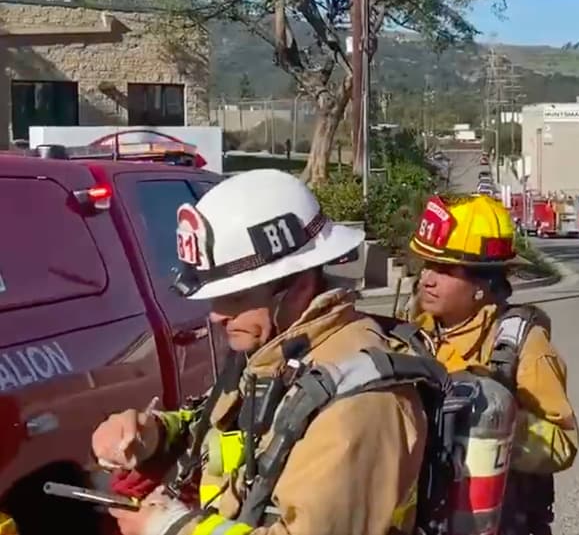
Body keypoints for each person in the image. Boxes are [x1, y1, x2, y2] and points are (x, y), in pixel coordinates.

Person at [90, 169, 431, 535]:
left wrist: (170, 528)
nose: (217, 314)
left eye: (236, 296)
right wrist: (152, 434)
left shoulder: (362, 404)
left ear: (299, 286)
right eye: (213, 296)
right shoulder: (277, 352)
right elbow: (221, 434)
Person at [408, 193, 579, 535]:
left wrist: (499, 426)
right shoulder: (411, 331)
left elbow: (563, 443)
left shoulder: (522, 346)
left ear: (482, 284)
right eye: (425, 264)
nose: (427, 278)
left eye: (444, 269)